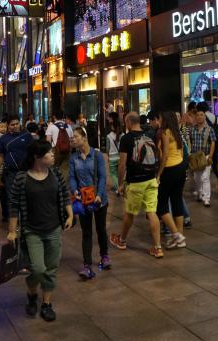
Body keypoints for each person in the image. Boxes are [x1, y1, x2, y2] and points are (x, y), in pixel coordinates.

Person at [7, 140, 73, 322]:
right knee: (37, 269)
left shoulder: (56, 173)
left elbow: (65, 193)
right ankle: (31, 293)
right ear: (37, 157)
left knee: (51, 269)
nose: (53, 155)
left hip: (54, 229)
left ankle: (46, 304)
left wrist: (70, 214)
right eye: (49, 153)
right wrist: (12, 231)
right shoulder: (22, 178)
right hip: (32, 231)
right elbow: (14, 206)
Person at [109, 112, 163, 258]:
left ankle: (122, 241)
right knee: (151, 212)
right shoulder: (149, 135)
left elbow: (122, 164)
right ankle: (158, 248)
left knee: (130, 213)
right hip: (151, 179)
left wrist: (120, 184)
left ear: (128, 122)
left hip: (136, 182)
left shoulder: (126, 138)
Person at [69, 127, 110, 279]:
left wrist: (99, 195)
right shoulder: (73, 157)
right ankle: (87, 266)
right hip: (83, 200)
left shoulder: (97, 155)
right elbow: (72, 177)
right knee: (86, 232)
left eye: (76, 136)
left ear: (84, 138)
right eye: (72, 137)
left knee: (101, 229)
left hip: (99, 200)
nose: (73, 139)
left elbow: (102, 177)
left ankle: (105, 256)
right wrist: (74, 190)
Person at [156, 111, 188, 248]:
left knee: (161, 204)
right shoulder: (177, 132)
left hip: (169, 169)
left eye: (160, 118)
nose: (159, 120)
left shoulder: (165, 132)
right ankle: (180, 238)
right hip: (180, 167)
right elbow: (181, 152)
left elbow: (165, 155)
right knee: (177, 200)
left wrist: (159, 173)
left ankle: (176, 234)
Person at [0, 116, 35, 223]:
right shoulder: (4, 138)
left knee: (27, 196)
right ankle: (14, 222)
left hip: (26, 172)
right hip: (10, 172)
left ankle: (26, 220)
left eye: (17, 123)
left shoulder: (27, 136)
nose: (15, 126)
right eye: (12, 124)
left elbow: (34, 152)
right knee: (12, 197)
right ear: (8, 125)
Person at [189, 109, 216, 207]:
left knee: (205, 177)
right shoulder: (192, 129)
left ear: (205, 117)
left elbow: (213, 142)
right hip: (195, 157)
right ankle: (200, 194)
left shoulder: (209, 129)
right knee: (197, 178)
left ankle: (206, 199)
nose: (199, 117)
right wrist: (190, 154)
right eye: (198, 115)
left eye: (202, 115)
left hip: (206, 156)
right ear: (195, 117)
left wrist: (211, 156)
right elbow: (190, 141)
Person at [106, 112, 122, 193]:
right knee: (119, 173)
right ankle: (120, 186)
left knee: (113, 174)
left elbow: (107, 149)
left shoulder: (109, 136)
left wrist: (108, 157)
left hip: (112, 158)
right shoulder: (122, 135)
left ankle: (117, 188)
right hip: (120, 157)